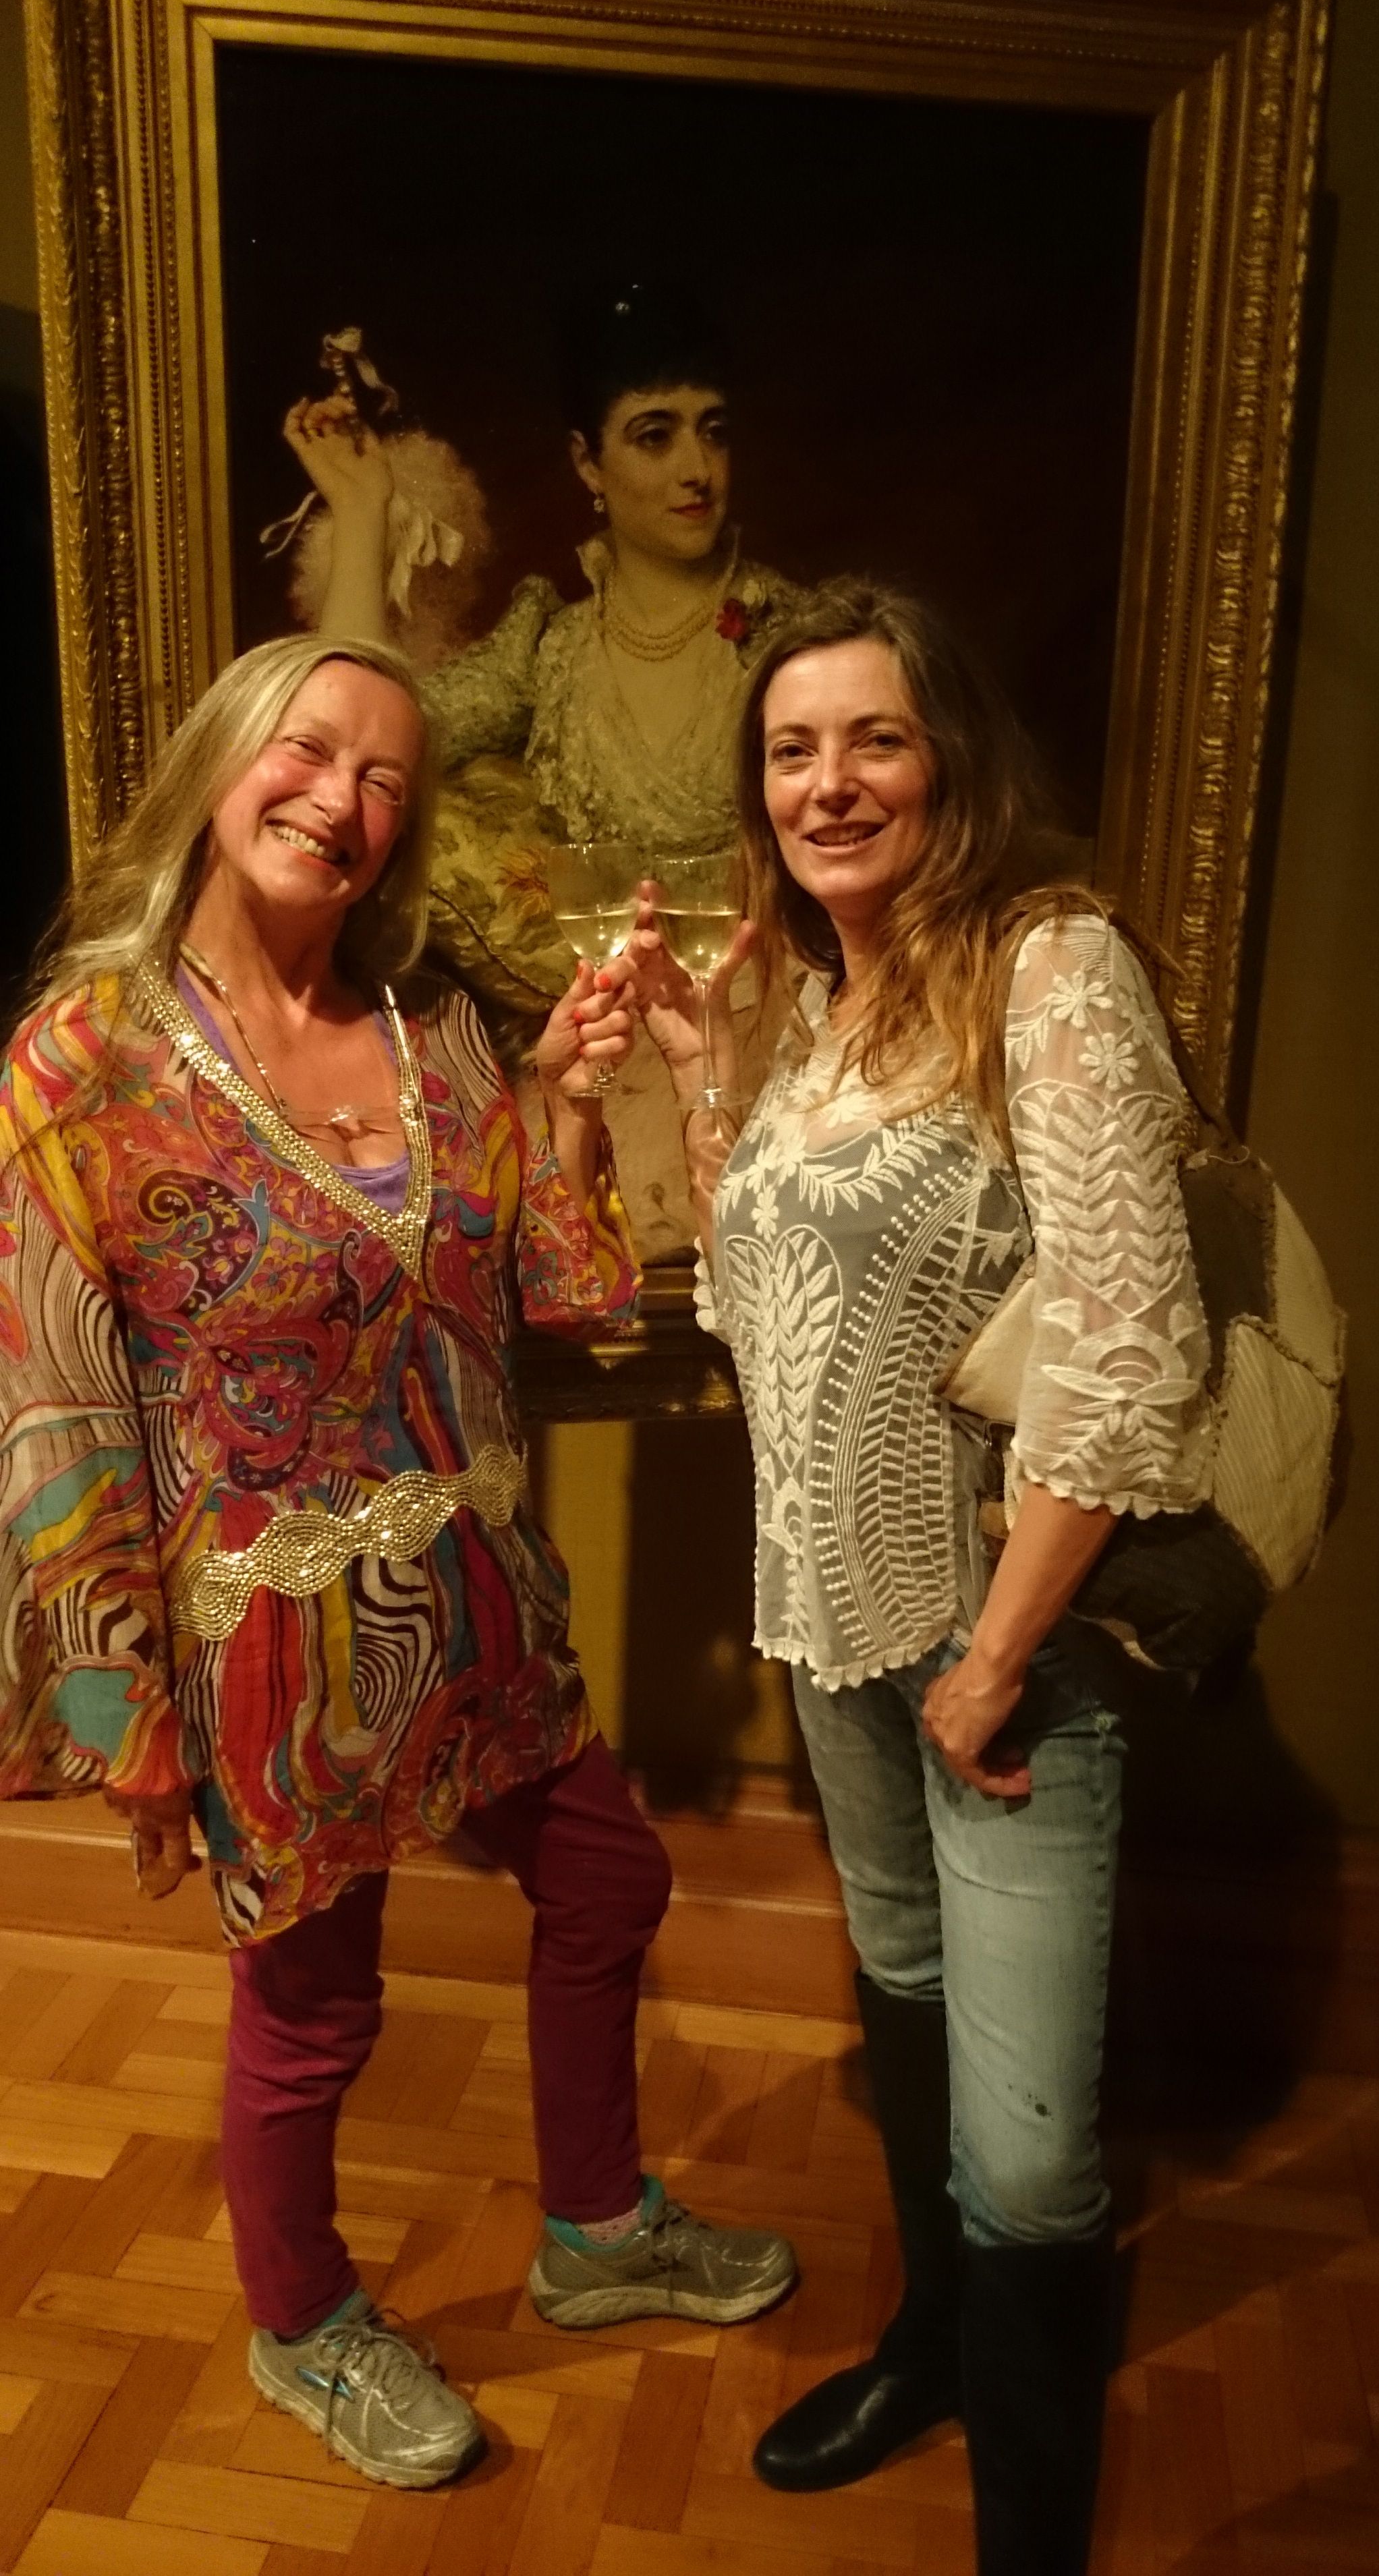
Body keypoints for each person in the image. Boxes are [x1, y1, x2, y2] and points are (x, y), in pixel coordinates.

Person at [0, 633, 793, 2492]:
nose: (342, 800)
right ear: (219, 760)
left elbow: (563, 1297)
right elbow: (52, 1405)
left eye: (385, 780)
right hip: (274, 1647)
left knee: (609, 1883)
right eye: (309, 750)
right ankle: (300, 2322)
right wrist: (121, 1716)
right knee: (316, 2009)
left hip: (483, 1598)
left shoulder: (433, 1032)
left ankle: (597, 2227)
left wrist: (570, 1098)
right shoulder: (80, 1062)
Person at [638, 581, 1212, 2573]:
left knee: (1034, 2153)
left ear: (950, 755)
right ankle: (937, 2347)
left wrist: (994, 1658)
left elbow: (1131, 1350)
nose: (830, 783)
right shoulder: (826, 1007)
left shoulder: (1049, 969)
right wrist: (710, 1072)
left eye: (873, 738)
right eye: (791, 750)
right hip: (838, 1625)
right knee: (902, 1986)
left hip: (1003, 1648)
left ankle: (1029, 2531)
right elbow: (759, 1317)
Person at [283, 282, 798, 1257]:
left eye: (713, 431)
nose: (696, 468)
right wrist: (364, 508)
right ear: (587, 463)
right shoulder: (550, 648)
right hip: (608, 1042)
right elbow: (360, 723)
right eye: (654, 436)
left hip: (762, 1033)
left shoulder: (791, 639)